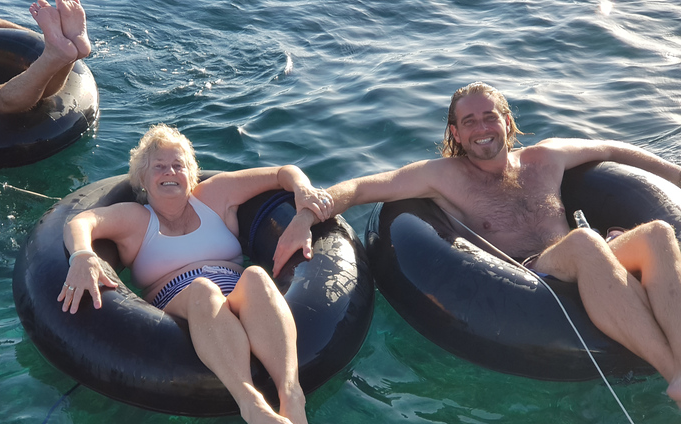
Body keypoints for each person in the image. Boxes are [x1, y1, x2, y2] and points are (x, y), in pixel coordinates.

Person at [277, 81, 681, 407]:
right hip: (536, 277)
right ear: (455, 132)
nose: (482, 127)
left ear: (506, 120)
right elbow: (363, 187)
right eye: (469, 121)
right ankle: (673, 376)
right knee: (586, 243)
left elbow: (614, 150)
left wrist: (676, 174)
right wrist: (306, 216)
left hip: (585, 257)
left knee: (659, 235)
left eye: (490, 116)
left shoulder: (546, 158)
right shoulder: (443, 176)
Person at [59, 124, 334, 424]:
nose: (170, 172)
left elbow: (284, 172)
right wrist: (83, 255)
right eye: (159, 166)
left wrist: (304, 192)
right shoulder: (136, 219)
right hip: (181, 304)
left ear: (192, 175)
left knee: (255, 275)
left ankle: (292, 396)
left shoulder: (214, 196)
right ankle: (251, 404)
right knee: (203, 289)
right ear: (143, 179)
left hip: (237, 291)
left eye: (179, 165)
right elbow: (83, 221)